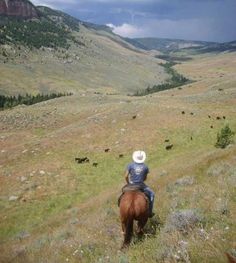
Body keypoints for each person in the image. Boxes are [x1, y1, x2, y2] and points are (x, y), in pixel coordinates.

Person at [124, 150, 155, 218]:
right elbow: (145, 178)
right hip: (141, 185)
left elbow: (126, 176)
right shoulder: (145, 167)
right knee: (152, 194)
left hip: (131, 184)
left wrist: (128, 183)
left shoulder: (130, 165)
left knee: (122, 195)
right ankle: (150, 212)